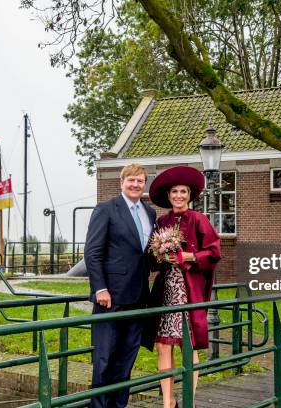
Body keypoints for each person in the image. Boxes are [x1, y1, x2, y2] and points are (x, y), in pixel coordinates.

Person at [142, 166, 221, 408]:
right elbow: (150, 259)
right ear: (168, 196)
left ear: (190, 195)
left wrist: (190, 256)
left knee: (189, 345)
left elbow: (214, 251)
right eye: (174, 191)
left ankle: (189, 400)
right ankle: (168, 402)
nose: (178, 195)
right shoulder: (162, 222)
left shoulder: (199, 220)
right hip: (165, 291)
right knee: (163, 346)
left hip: (188, 291)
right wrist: (158, 254)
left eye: (183, 191)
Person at [84, 163, 157, 408]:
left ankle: (119, 405)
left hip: (138, 297)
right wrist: (100, 288)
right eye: (131, 180)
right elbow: (92, 253)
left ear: (144, 184)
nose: (135, 185)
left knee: (127, 359)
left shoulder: (150, 213)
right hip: (111, 298)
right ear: (122, 182)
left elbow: (144, 254)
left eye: (140, 181)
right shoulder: (106, 209)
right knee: (105, 360)